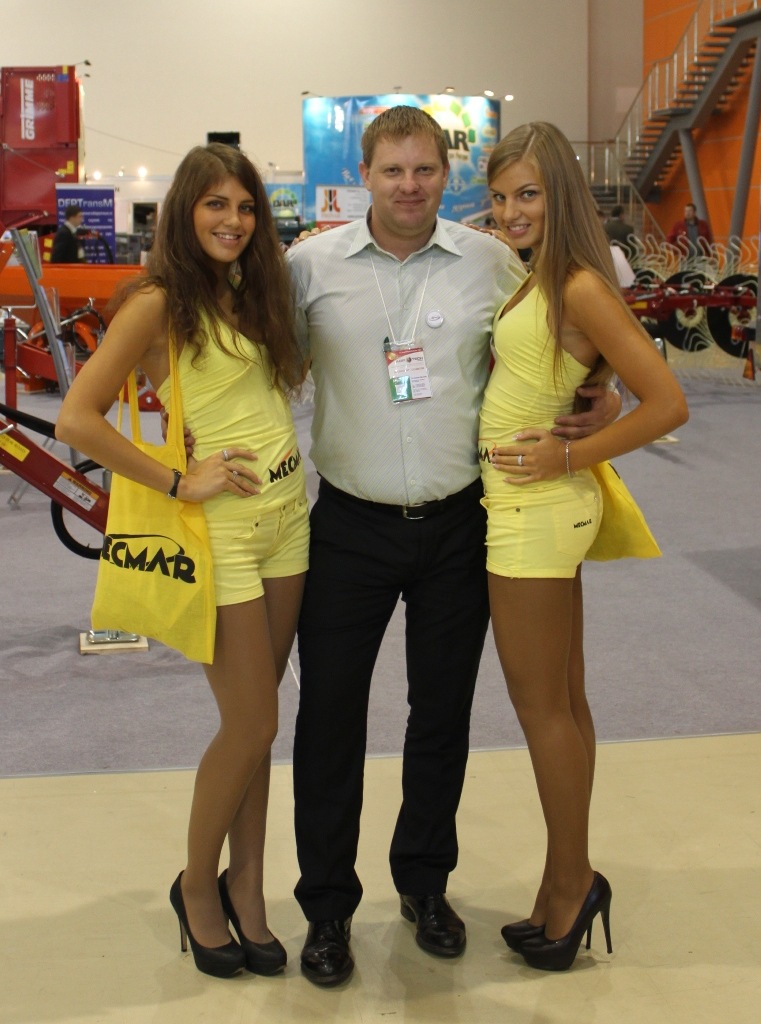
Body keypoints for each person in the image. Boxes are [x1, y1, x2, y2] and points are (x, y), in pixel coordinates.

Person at [286, 105, 620, 987]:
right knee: (329, 719)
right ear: (364, 174)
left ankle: (424, 886)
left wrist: (601, 392)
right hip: (349, 525)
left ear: (446, 173)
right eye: (392, 170)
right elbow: (257, 360)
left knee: (441, 716)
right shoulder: (308, 267)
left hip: (459, 524)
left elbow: (561, 335)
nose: (409, 186)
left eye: (424, 169)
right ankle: (327, 907)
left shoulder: (492, 261)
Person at [55, 144, 309, 979]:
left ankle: (249, 888)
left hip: (287, 523)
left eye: (245, 207)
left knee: (259, 724)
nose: (233, 221)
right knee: (252, 722)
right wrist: (176, 480)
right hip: (220, 533)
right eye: (215, 205)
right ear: (183, 213)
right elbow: (78, 418)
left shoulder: (251, 290)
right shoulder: (158, 301)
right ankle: (198, 884)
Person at [482, 122, 688, 971]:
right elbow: (578, 376)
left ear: (560, 192)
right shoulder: (541, 277)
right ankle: (561, 881)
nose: (511, 211)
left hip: (533, 513)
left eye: (527, 194)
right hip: (527, 508)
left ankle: (571, 887)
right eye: (499, 196)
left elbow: (667, 403)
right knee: (562, 703)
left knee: (544, 712)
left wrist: (570, 455)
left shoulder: (576, 285)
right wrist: (590, 396)